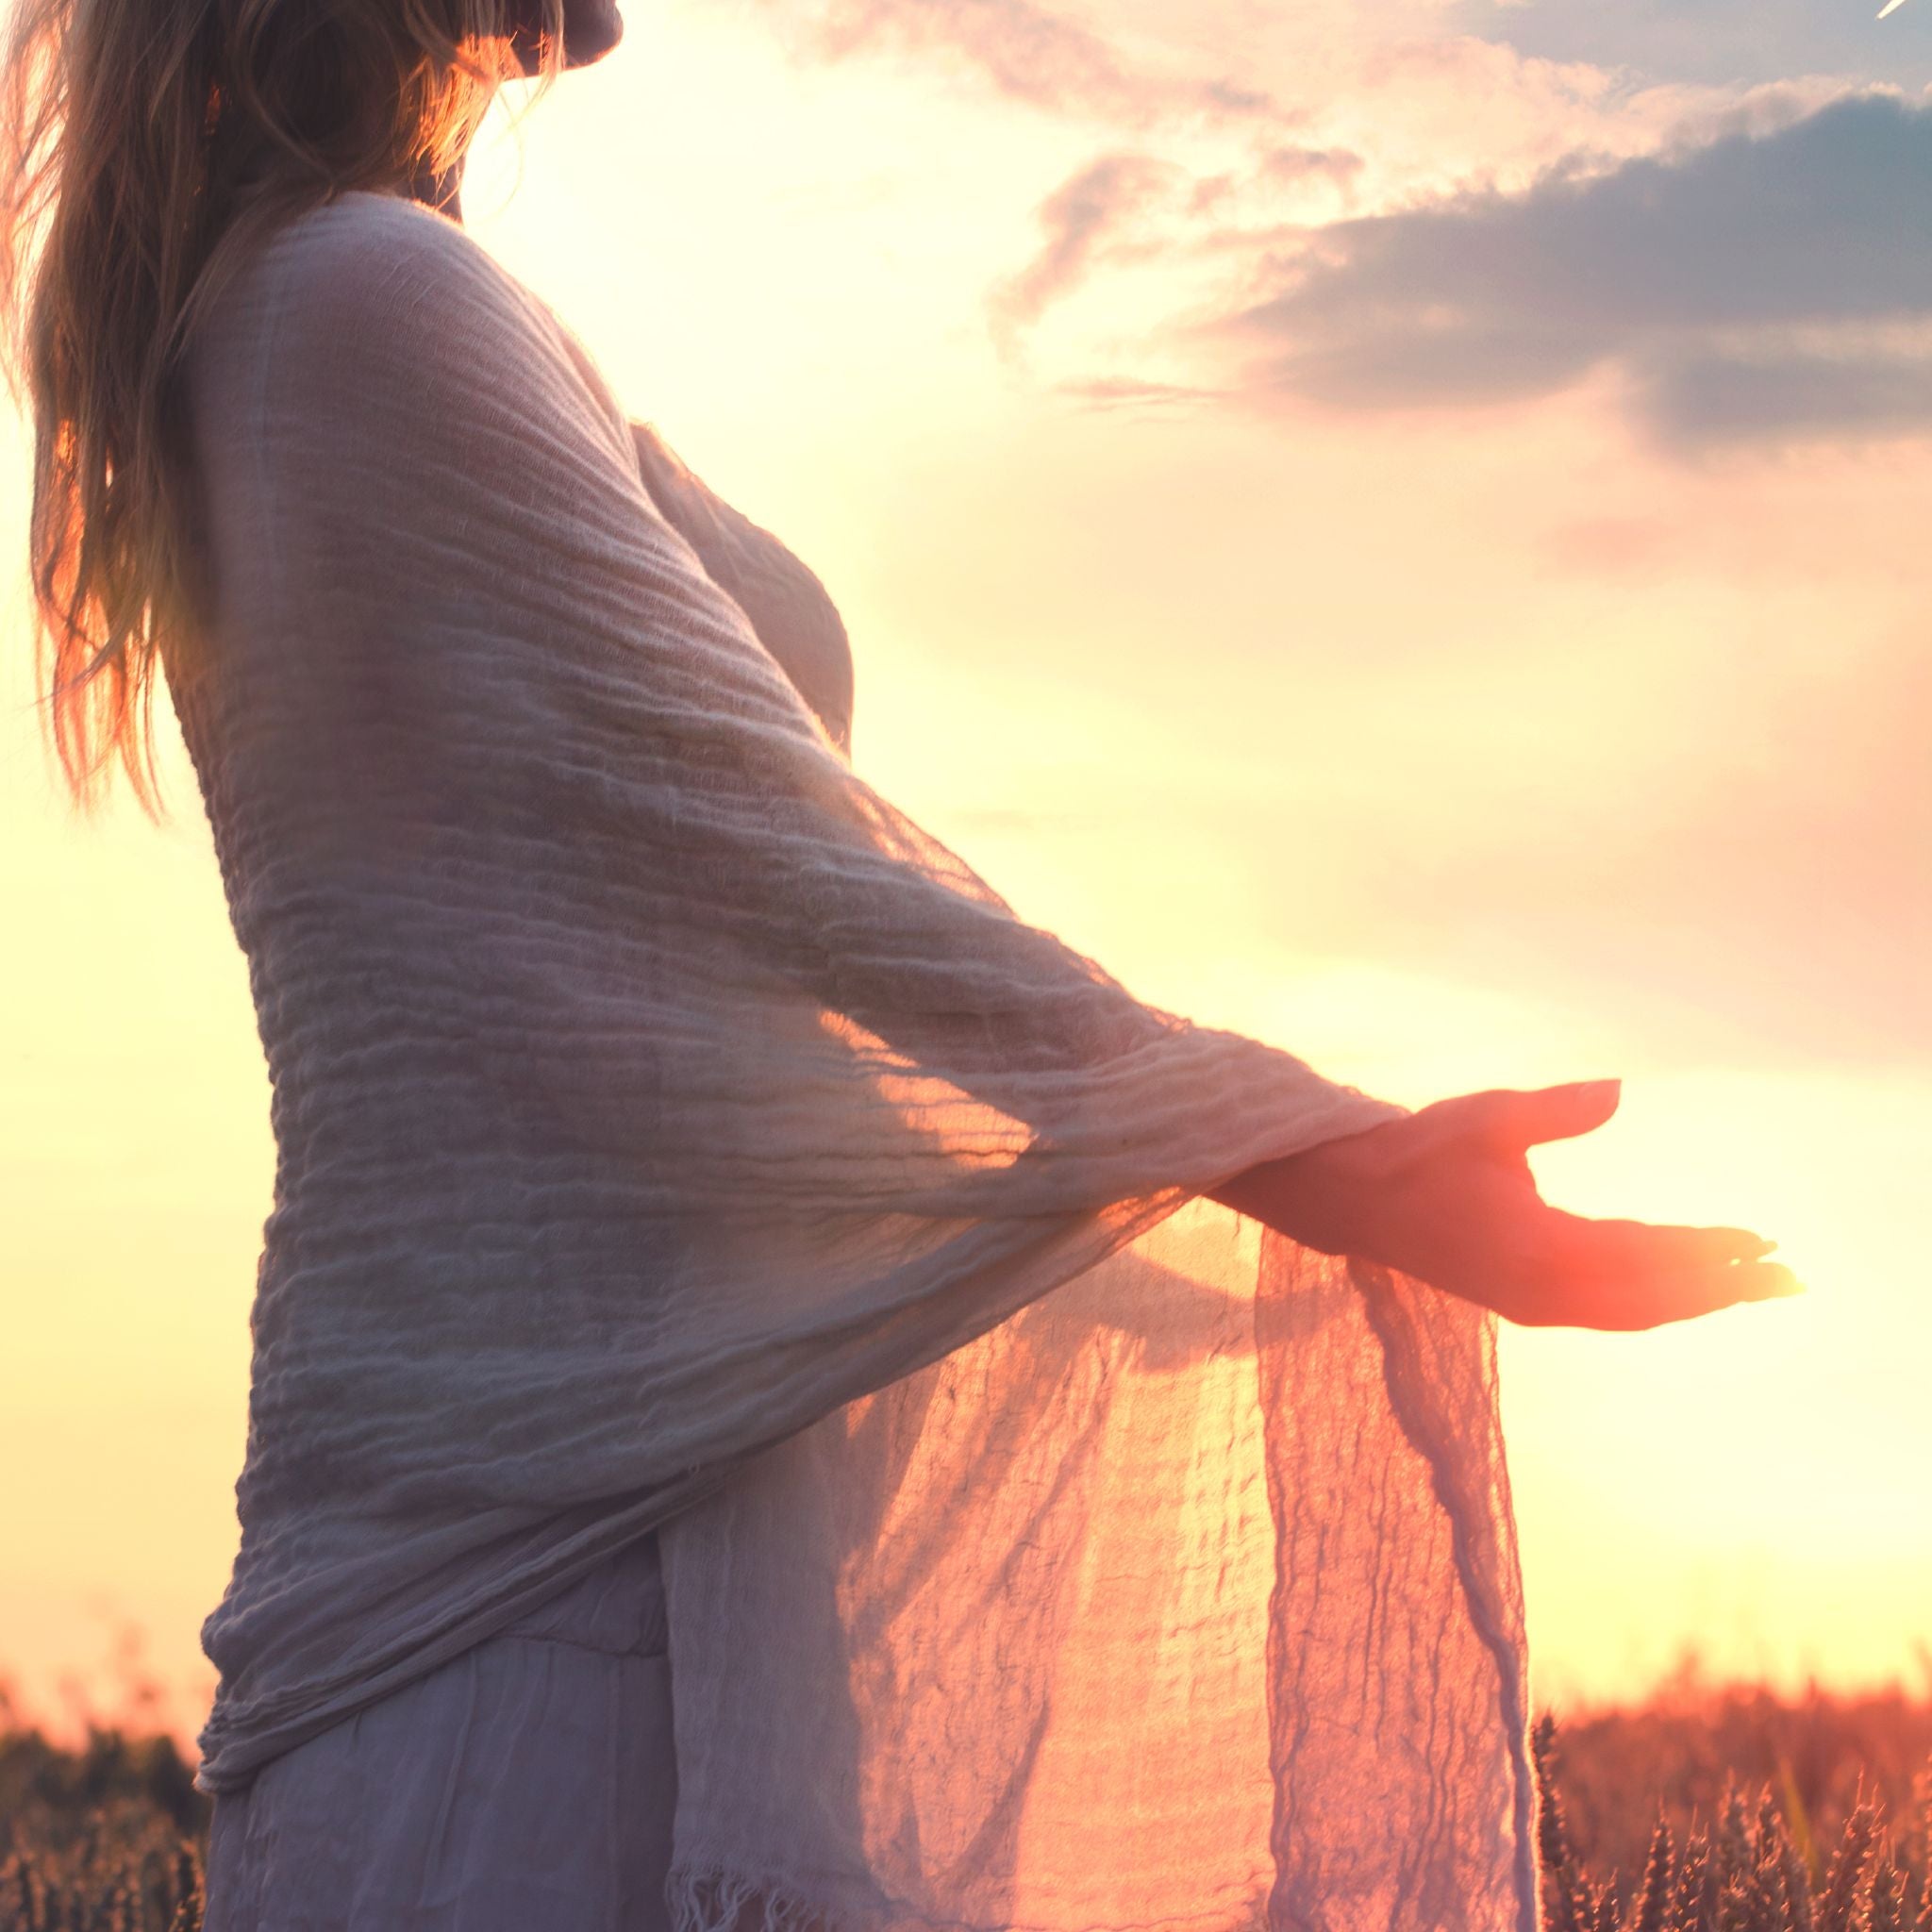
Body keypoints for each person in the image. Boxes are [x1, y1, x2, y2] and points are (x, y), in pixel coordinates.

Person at [0, 2, 1797, 1927]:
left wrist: (1215, 1184)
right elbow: (785, 879)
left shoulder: (360, 296)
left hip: (659, 1544)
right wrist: (1321, 1159)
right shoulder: (355, 302)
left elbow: (722, 981)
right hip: (536, 1617)